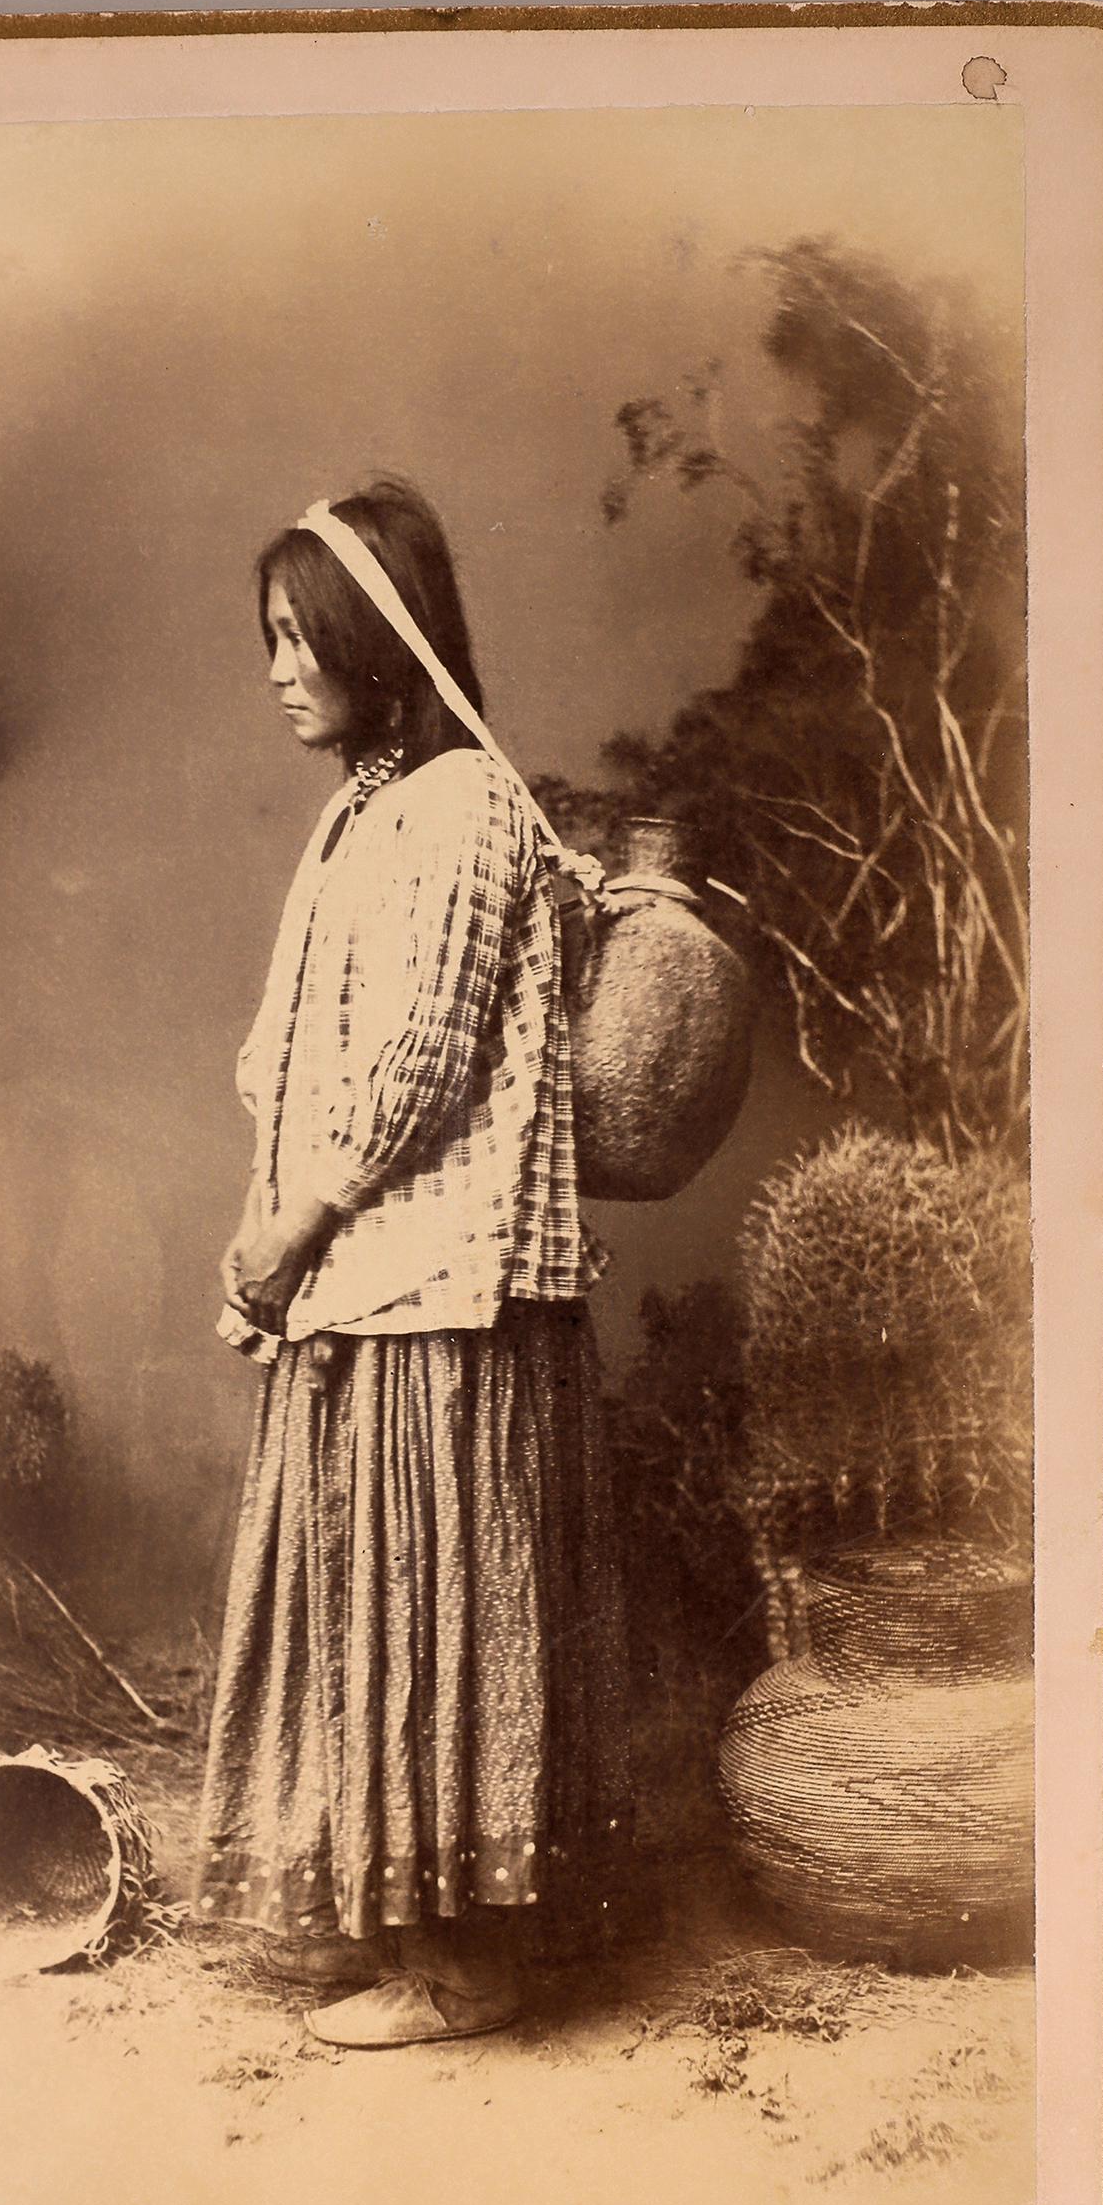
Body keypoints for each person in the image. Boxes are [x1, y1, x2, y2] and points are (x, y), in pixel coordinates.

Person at [193, 479, 633, 2049]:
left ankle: (471, 1969)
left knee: (439, 1595)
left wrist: (291, 1229)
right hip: (362, 1273)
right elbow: (300, 1049)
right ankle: (405, 1922)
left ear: (382, 643)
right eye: (269, 639)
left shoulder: (455, 809)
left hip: (445, 1280)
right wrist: (284, 1229)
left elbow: (421, 1066)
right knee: (377, 1598)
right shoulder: (365, 804)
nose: (278, 669)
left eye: (303, 637)